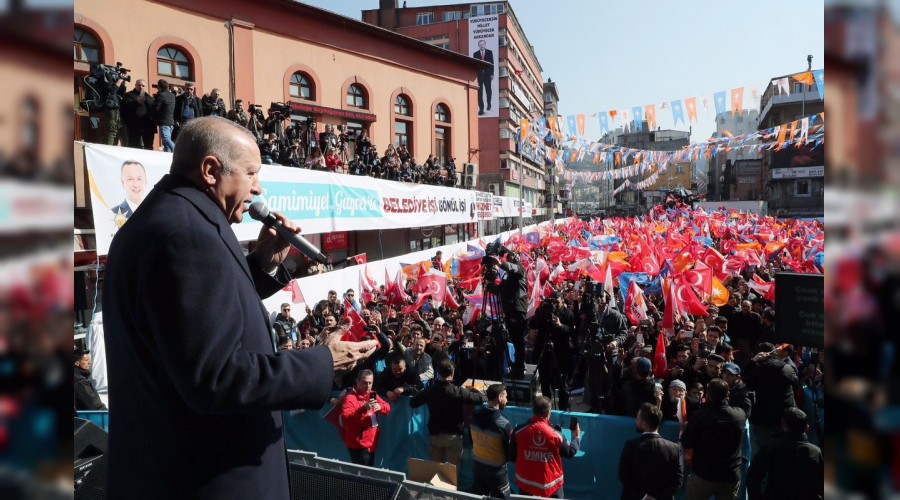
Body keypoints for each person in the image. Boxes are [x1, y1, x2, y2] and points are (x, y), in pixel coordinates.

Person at [102, 117, 378, 499]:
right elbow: (216, 376)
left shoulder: (166, 219)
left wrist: (262, 264)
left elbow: (191, 316)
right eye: (251, 173)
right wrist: (323, 362)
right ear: (212, 170)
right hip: (207, 479)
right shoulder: (185, 234)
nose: (258, 187)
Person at [680, 379, 747, 500]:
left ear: (708, 395)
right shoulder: (740, 415)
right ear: (727, 394)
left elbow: (686, 442)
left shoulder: (699, 417)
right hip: (729, 475)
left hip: (703, 475)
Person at [410, 360, 486, 467]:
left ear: (438, 373)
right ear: (452, 373)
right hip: (453, 436)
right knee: (452, 473)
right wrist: (473, 390)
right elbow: (482, 399)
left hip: (435, 435)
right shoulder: (459, 391)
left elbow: (413, 403)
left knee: (435, 471)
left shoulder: (430, 390)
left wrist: (422, 392)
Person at [746, 408, 824, 500]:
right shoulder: (816, 452)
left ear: (783, 424)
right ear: (807, 428)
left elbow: (753, 477)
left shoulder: (771, 448)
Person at [510, 396, 580, 498]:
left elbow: (512, 457)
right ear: (548, 413)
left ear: (533, 410)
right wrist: (576, 438)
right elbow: (570, 452)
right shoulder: (556, 435)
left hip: (526, 487)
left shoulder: (518, 431)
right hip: (552, 489)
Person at [618, 403, 684, 500]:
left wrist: (644, 496)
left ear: (644, 424)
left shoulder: (631, 446)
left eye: (638, 418)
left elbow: (623, 475)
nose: (636, 421)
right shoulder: (674, 448)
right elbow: (677, 480)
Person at [743, 342, 799, 452]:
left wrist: (753, 361)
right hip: (783, 418)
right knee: (783, 452)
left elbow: (743, 378)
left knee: (760, 452)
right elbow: (795, 382)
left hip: (761, 418)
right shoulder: (787, 368)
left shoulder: (757, 370)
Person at [486, 251, 527, 379]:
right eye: (506, 258)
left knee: (518, 341)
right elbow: (499, 290)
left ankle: (519, 369)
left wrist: (499, 263)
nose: (508, 259)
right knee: (514, 340)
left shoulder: (520, 269)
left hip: (517, 309)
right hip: (509, 310)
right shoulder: (507, 277)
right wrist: (489, 283)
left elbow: (512, 268)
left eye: (510, 257)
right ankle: (516, 366)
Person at [470, 383, 514, 499]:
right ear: (499, 398)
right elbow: (511, 452)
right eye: (505, 397)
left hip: (478, 468)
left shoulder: (473, 417)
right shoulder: (504, 425)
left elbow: (472, 440)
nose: (507, 400)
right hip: (497, 473)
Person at [340, 369, 391, 466]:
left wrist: (380, 407)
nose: (367, 386)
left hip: (371, 443)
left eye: (370, 383)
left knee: (368, 473)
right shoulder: (350, 398)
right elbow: (346, 420)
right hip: (358, 445)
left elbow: (387, 407)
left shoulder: (371, 394)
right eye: (364, 383)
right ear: (357, 382)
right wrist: (363, 409)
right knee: (364, 476)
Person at [121, 79, 156, 150]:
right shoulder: (129, 95)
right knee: (133, 146)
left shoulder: (149, 98)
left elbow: (153, 111)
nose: (141, 87)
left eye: (143, 86)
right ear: (135, 85)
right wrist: (136, 102)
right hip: (133, 126)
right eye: (139, 85)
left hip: (148, 127)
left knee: (148, 146)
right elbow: (125, 108)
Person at [152, 79, 177, 152]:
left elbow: (156, 108)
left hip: (164, 121)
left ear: (159, 87)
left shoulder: (160, 95)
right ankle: (168, 157)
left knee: (166, 139)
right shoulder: (172, 95)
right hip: (171, 121)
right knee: (166, 143)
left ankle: (177, 151)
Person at [473, 39, 494, 115]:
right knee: (479, 92)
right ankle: (481, 108)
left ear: (485, 45)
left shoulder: (489, 52)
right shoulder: (475, 54)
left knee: (488, 90)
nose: (481, 45)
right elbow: (474, 65)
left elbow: (492, 63)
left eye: (483, 44)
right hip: (479, 75)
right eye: (480, 44)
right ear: (478, 45)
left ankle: (489, 103)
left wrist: (492, 74)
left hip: (487, 75)